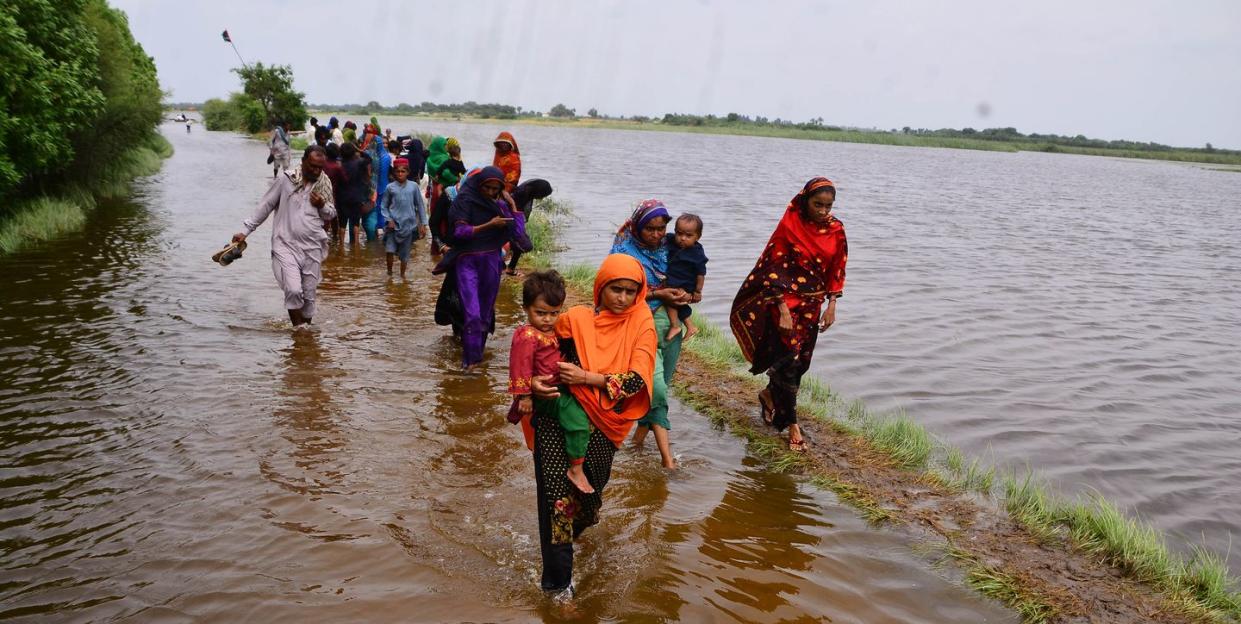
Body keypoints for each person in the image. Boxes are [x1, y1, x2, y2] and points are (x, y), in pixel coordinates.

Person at [526, 253, 657, 595]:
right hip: (559, 413)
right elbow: (535, 342)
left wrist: (589, 377)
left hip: (605, 425)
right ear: (601, 287)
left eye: (631, 291)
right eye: (616, 289)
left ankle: (565, 542)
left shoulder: (642, 323)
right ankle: (557, 587)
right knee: (558, 502)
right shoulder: (578, 319)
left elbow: (636, 381)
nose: (623, 298)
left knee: (586, 506)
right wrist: (531, 382)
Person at [729, 177, 847, 452]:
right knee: (789, 363)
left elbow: (837, 268)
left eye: (828, 206)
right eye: (818, 204)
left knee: (801, 363)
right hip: (785, 304)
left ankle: (769, 394)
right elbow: (771, 269)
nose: (823, 211)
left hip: (813, 306)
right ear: (804, 201)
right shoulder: (790, 226)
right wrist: (781, 309)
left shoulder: (837, 229)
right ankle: (792, 424)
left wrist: (832, 304)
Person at [611, 200, 692, 469]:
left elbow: (689, 276)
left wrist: (688, 294)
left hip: (670, 324)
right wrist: (658, 293)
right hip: (636, 321)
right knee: (654, 388)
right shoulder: (624, 252)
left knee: (661, 384)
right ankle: (668, 461)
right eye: (650, 229)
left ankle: (637, 442)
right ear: (637, 227)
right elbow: (615, 291)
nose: (657, 235)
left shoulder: (671, 247)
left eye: (661, 229)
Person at [432, 166, 524, 371]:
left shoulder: (501, 206)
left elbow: (518, 233)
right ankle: (469, 362)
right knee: (472, 313)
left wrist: (512, 205)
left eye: (495, 188)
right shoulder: (465, 202)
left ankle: (476, 358)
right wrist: (489, 225)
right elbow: (459, 231)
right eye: (487, 187)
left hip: (492, 262)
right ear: (479, 185)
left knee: (485, 314)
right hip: (468, 262)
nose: (491, 192)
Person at [231, 145, 336, 327]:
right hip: (285, 244)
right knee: (294, 290)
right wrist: (245, 232)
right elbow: (265, 206)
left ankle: (305, 334)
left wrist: (321, 205)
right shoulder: (286, 180)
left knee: (309, 296)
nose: (316, 171)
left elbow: (331, 214)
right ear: (303, 162)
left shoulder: (324, 184)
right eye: (312, 166)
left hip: (312, 248)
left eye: (320, 167)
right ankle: (299, 333)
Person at [509, 270, 593, 493]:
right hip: (546, 391)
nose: (547, 320)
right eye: (540, 313)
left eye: (554, 313)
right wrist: (524, 395)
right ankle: (576, 467)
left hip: (557, 385)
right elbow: (520, 365)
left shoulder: (551, 329)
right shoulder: (527, 335)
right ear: (526, 308)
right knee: (577, 418)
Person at [661, 213, 709, 341]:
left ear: (698, 237)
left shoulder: (697, 252)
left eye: (688, 235)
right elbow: (660, 238)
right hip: (673, 279)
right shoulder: (671, 240)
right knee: (678, 304)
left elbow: (701, 273)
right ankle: (690, 326)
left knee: (670, 300)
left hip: (686, 283)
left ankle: (675, 326)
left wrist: (698, 291)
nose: (682, 238)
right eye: (679, 233)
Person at [382, 158, 427, 277]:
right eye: (398, 171)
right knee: (389, 251)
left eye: (403, 171)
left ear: (408, 172)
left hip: (408, 226)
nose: (400, 174)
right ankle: (390, 274)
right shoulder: (390, 187)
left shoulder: (413, 187)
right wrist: (388, 219)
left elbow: (420, 206)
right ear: (394, 173)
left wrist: (423, 224)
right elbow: (384, 206)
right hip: (393, 225)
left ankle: (402, 276)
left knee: (405, 255)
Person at [425, 136, 468, 255]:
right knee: (445, 219)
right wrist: (460, 179)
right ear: (439, 146)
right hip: (447, 191)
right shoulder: (444, 158)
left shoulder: (429, 159)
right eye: (444, 145)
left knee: (435, 218)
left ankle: (436, 248)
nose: (446, 148)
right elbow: (447, 174)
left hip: (435, 189)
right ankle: (445, 248)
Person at [505, 179, 554, 275]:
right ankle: (504, 263)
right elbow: (514, 212)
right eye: (543, 195)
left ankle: (510, 268)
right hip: (511, 224)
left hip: (517, 223)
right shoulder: (521, 194)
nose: (542, 198)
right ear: (538, 191)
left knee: (520, 245)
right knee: (526, 245)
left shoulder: (527, 193)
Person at [338, 142, 370, 244]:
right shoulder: (359, 162)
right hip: (356, 196)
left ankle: (341, 246)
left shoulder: (339, 164)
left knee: (342, 224)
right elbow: (369, 159)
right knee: (356, 223)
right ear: (353, 151)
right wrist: (359, 150)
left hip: (342, 196)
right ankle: (356, 246)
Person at [321, 143, 348, 239]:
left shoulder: (322, 164)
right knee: (332, 217)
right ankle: (335, 238)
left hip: (319, 192)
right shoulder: (337, 167)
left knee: (323, 218)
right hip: (332, 195)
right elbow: (345, 180)